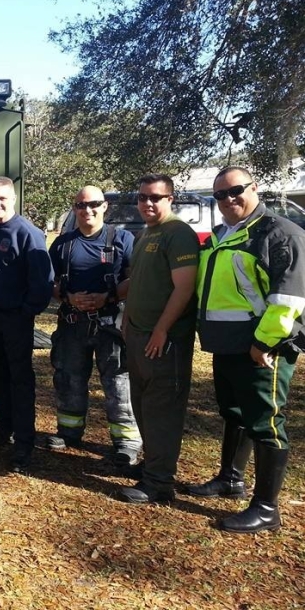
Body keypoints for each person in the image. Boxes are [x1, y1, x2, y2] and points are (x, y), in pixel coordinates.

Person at [187, 166, 305, 533]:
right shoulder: (224, 234)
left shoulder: (279, 233)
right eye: (219, 195)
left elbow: (288, 299)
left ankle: (267, 509)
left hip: (261, 349)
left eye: (235, 191)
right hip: (227, 344)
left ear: (254, 188)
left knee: (266, 421)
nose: (228, 199)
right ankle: (230, 479)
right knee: (234, 412)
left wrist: (263, 342)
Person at [116, 173, 199, 503]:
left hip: (165, 340)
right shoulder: (146, 234)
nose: (147, 203)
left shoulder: (178, 234)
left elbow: (184, 287)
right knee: (143, 404)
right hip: (137, 334)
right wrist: (122, 316)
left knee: (162, 409)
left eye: (155, 197)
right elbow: (136, 281)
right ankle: (152, 466)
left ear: (170, 199)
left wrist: (162, 329)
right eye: (142, 197)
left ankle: (159, 483)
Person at [47, 186, 142, 465]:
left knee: (118, 383)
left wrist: (108, 297)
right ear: (74, 208)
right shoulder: (63, 244)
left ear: (104, 207)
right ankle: (69, 432)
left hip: (110, 325)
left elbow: (135, 279)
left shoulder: (123, 239)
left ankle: (127, 442)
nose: (86, 210)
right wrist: (67, 296)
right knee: (69, 379)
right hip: (71, 325)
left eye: (93, 204)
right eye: (80, 205)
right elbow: (49, 283)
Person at [0, 177, 53, 475]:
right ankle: (3, 427)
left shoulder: (28, 233)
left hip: (17, 319)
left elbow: (43, 281)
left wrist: (27, 311)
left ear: (14, 198)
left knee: (20, 379)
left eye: (2, 199)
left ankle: (24, 444)